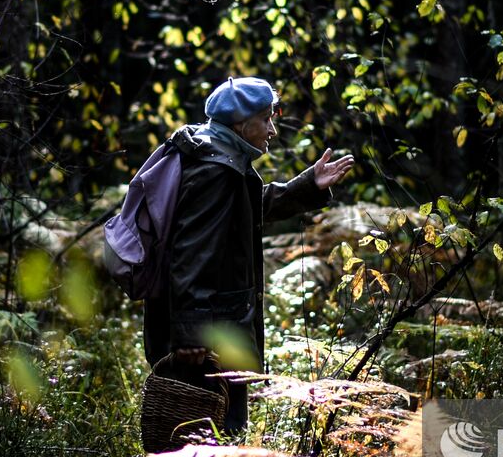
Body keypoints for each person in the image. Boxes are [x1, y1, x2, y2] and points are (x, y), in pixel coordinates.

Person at [142, 76, 354, 436]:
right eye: (267, 119)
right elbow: (191, 254)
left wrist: (306, 187)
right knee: (208, 439)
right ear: (242, 124)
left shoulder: (215, 153)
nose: (272, 129)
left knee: (205, 440)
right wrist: (191, 336)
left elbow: (243, 207)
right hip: (211, 336)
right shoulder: (216, 170)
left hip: (213, 327)